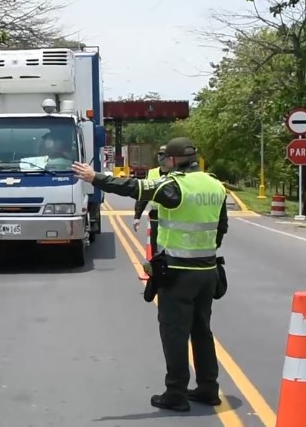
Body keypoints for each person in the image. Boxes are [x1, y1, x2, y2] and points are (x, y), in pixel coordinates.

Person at [71, 137, 228, 412]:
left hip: (178, 273)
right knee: (201, 331)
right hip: (208, 271)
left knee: (174, 333)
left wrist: (96, 178)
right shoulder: (215, 185)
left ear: (173, 160)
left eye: (166, 159)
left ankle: (176, 393)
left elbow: (133, 187)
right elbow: (221, 228)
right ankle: (208, 388)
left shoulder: (174, 186)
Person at [133, 145, 170, 253]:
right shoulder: (152, 173)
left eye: (163, 155)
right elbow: (143, 195)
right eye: (159, 155)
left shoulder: (177, 174)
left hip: (172, 216)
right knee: (155, 247)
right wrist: (137, 216)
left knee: (170, 248)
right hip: (155, 216)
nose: (160, 158)